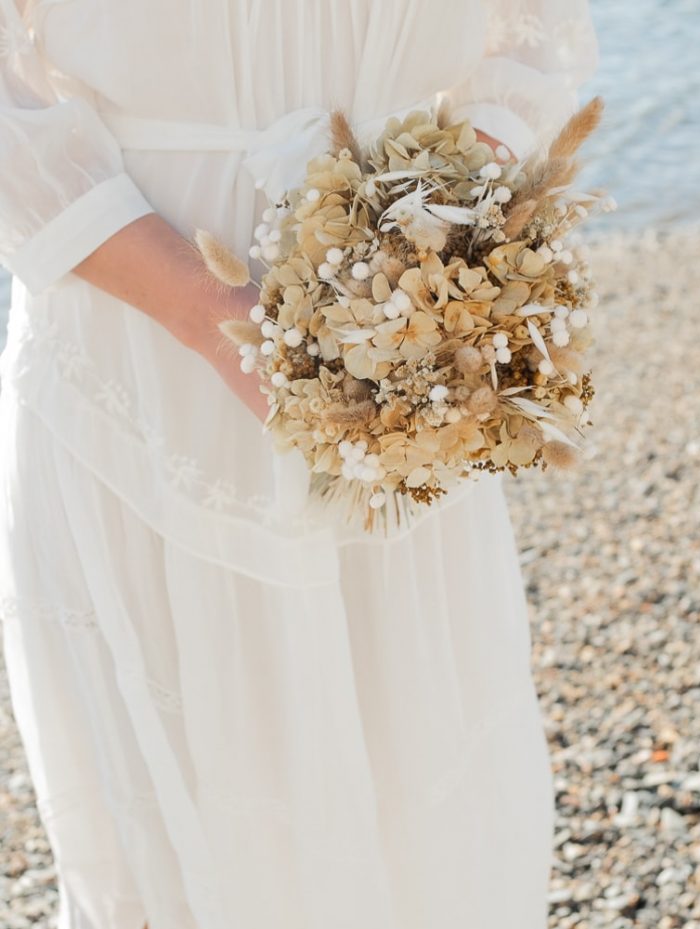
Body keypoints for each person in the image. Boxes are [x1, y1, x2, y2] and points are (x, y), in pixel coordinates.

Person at [0, 1, 598, 927]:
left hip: (400, 372)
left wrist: (433, 242)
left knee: (419, 793)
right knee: (188, 809)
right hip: (140, 380)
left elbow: (535, 31)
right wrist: (206, 313)